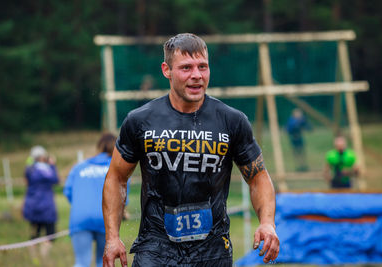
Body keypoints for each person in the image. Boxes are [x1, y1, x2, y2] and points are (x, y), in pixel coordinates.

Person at [102, 33, 279, 267]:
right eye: (186, 68)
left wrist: (267, 222)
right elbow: (116, 178)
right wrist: (112, 237)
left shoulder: (232, 121)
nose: (197, 75)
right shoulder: (140, 121)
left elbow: (258, 178)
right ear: (167, 70)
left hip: (212, 248)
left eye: (202, 67)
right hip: (155, 247)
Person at [64, 133, 119, 267]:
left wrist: (81, 206)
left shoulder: (79, 167)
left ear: (99, 147)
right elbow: (122, 195)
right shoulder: (116, 168)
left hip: (80, 217)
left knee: (81, 262)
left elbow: (68, 192)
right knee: (103, 262)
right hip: (105, 218)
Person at [23, 146, 59, 249]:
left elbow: (26, 181)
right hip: (47, 205)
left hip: (32, 204)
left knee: (34, 234)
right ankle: (45, 258)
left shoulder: (29, 169)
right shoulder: (47, 169)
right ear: (43, 156)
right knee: (50, 234)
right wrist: (52, 165)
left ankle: (33, 257)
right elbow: (55, 179)